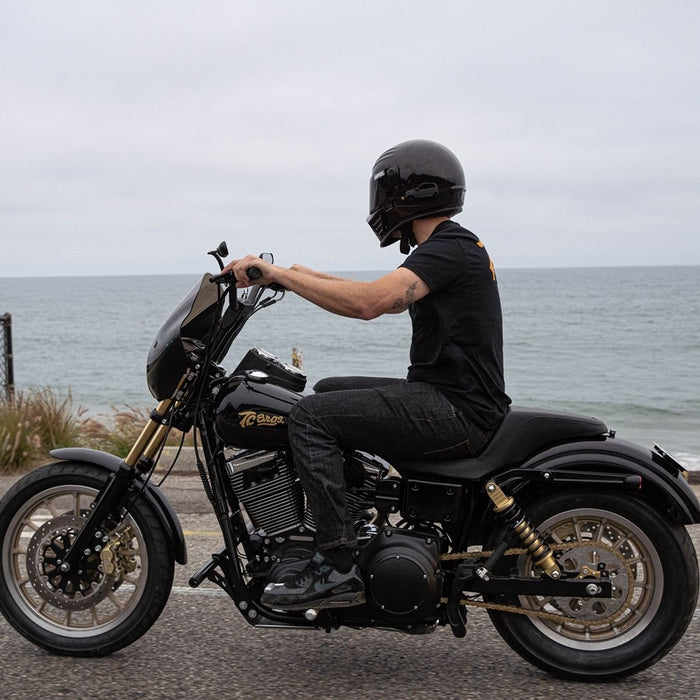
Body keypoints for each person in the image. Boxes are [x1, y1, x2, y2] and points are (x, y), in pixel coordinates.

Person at [226, 139, 511, 611]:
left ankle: (335, 562)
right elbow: (373, 291)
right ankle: (354, 516)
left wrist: (279, 276)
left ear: (407, 194)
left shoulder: (449, 247)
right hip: (452, 399)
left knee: (311, 417)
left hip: (456, 410)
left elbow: (370, 302)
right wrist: (299, 274)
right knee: (325, 391)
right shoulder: (450, 246)